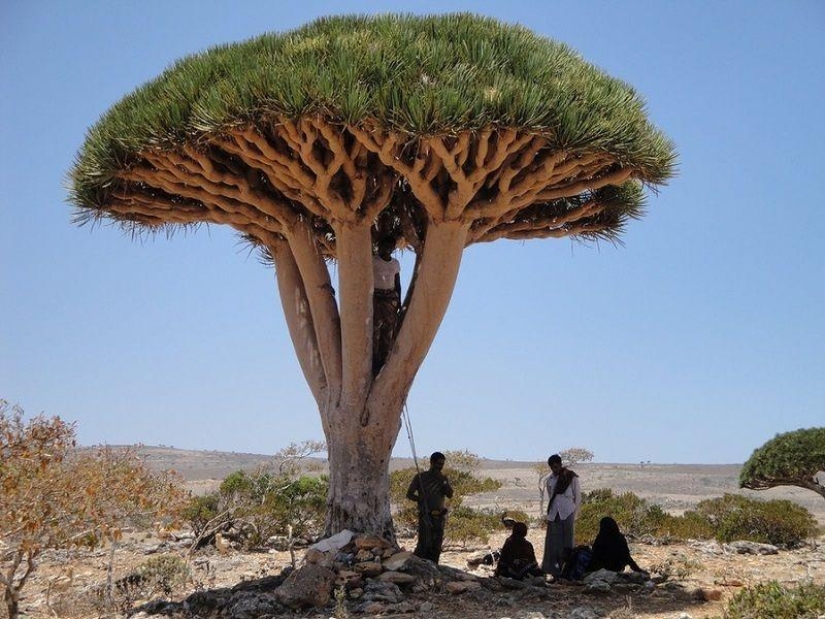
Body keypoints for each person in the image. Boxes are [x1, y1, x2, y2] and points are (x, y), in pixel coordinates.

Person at [406, 451, 454, 563]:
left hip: (439, 517)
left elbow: (450, 494)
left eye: (442, 464)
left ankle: (434, 566)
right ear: (431, 463)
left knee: (436, 545)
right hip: (426, 515)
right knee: (424, 544)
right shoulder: (421, 477)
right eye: (438, 464)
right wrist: (420, 500)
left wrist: (443, 481)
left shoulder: (443, 479)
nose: (440, 467)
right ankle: (421, 565)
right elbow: (409, 494)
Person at [541, 454, 581, 580]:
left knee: (567, 544)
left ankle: (568, 571)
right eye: (552, 468)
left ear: (560, 464)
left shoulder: (571, 478)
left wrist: (575, 515)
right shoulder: (550, 480)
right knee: (553, 545)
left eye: (556, 466)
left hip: (568, 513)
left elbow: (578, 497)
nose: (555, 469)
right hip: (554, 515)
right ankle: (554, 572)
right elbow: (551, 495)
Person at [372, 236, 401, 376]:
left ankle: (383, 358)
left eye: (390, 247)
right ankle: (374, 358)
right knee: (376, 326)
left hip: (390, 297)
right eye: (384, 246)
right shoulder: (373, 261)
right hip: (376, 297)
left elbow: (397, 283)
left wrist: (398, 300)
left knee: (389, 327)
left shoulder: (395, 264)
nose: (387, 249)